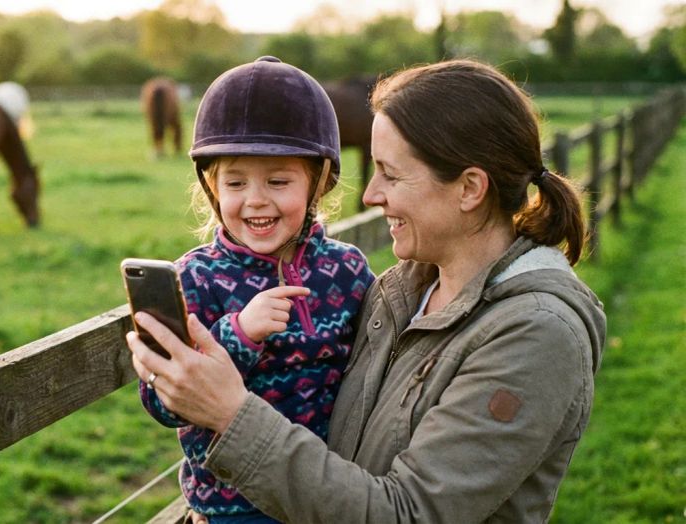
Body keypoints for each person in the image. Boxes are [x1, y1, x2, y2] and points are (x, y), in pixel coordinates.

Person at [127, 59, 607, 522]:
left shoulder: (535, 334)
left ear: (469, 189)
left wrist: (231, 414)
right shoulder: (403, 289)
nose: (370, 194)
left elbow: (409, 514)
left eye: (390, 173)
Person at [137, 56, 375, 523]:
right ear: (212, 186)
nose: (256, 199)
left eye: (279, 180)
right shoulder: (195, 280)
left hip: (331, 495)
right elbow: (161, 401)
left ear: (319, 181)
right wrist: (239, 335)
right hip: (234, 507)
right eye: (236, 182)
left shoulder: (347, 268)